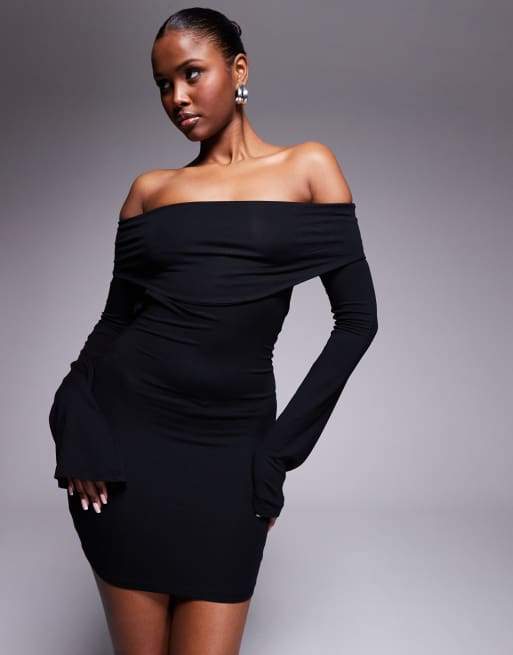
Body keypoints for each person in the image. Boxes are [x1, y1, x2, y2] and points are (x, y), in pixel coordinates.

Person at [48, 7, 379, 655]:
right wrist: (75, 423)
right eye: (162, 84)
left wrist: (276, 454)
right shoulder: (150, 191)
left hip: (232, 452)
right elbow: (112, 327)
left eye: (191, 74)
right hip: (125, 450)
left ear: (238, 69)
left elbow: (357, 321)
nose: (176, 96)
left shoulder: (307, 167)